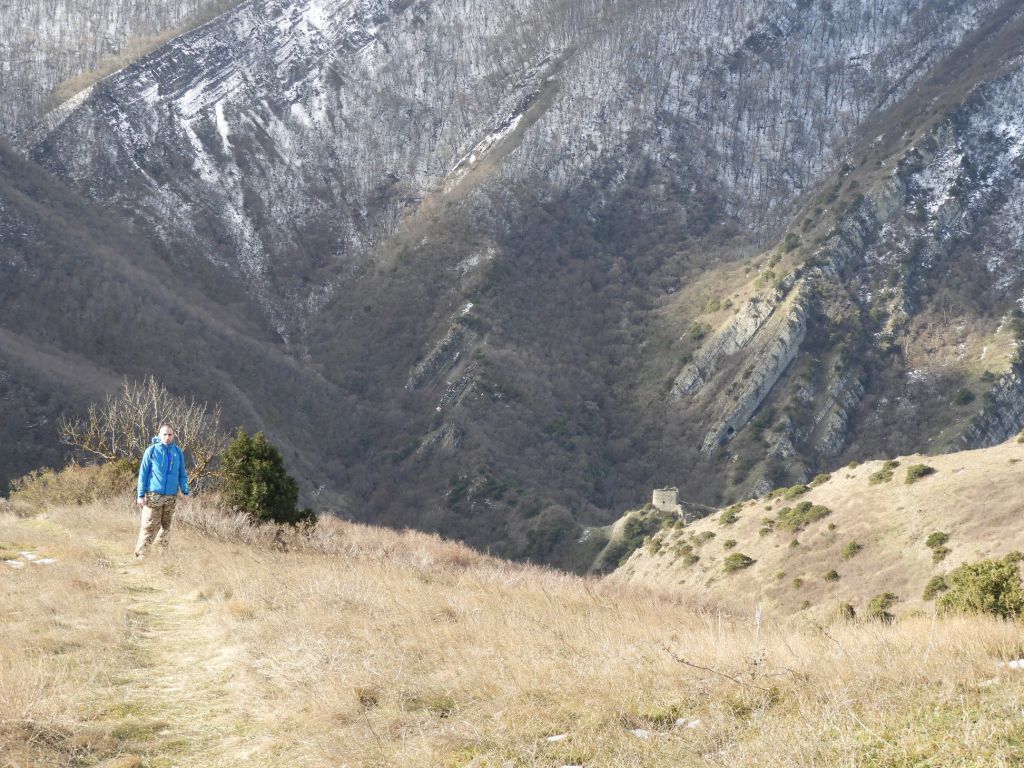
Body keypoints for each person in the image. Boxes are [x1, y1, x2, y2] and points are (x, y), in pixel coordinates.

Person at [135, 424, 190, 559]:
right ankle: (141, 555)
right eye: (164, 434)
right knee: (149, 525)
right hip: (154, 495)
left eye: (170, 434)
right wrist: (141, 495)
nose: (167, 437)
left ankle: (161, 555)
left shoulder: (177, 452)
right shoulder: (151, 451)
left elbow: (182, 474)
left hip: (171, 496)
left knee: (166, 527)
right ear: (159, 435)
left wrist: (185, 490)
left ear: (174, 435)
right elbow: (143, 474)